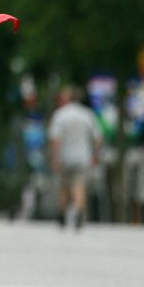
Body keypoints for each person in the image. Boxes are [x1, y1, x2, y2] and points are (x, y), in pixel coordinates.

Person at [48, 86, 103, 231]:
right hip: (83, 156)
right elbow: (98, 137)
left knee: (65, 186)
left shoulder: (60, 115)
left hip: (65, 156)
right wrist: (95, 155)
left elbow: (55, 139)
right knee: (79, 185)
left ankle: (62, 213)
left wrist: (54, 158)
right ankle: (79, 211)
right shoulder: (87, 114)